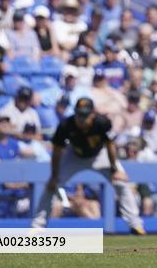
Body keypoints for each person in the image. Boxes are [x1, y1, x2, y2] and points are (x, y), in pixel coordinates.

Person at [31, 97, 145, 233]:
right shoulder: (66, 125)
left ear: (92, 113)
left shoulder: (102, 123)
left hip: (99, 155)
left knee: (121, 182)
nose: (82, 118)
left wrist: (115, 169)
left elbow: (110, 146)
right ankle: (37, 227)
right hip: (74, 155)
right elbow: (57, 153)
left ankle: (136, 225)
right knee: (51, 186)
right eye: (79, 114)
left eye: (85, 115)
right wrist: (54, 176)